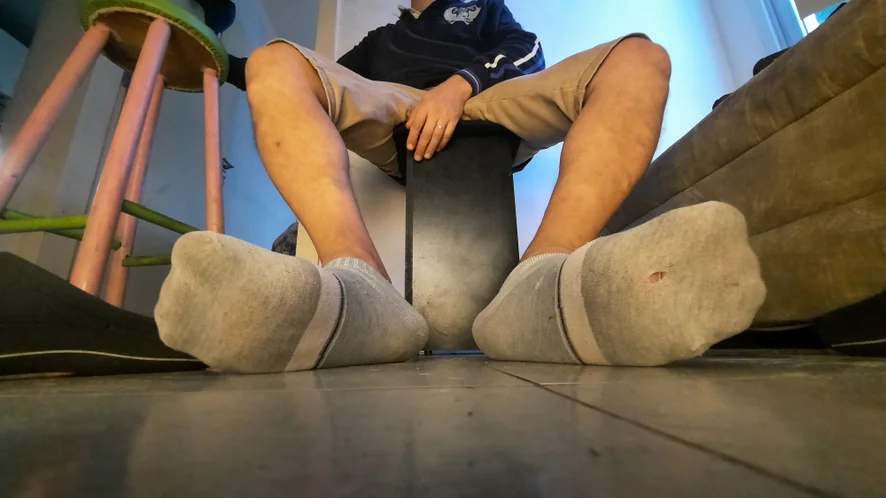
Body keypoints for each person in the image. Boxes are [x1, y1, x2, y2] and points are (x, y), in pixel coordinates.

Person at [155, 0, 767, 373]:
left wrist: (460, 85)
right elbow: (326, 78)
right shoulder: (382, 40)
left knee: (640, 57)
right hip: (398, 108)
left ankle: (539, 281)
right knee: (275, 59)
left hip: (485, 98)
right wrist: (217, 61)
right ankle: (363, 290)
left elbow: (526, 50)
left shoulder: (481, 6)